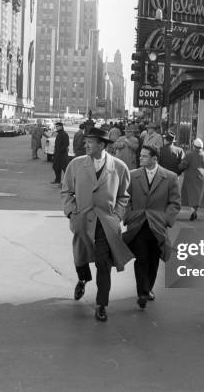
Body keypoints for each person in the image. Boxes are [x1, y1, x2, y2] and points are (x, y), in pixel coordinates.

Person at [61, 127, 134, 322]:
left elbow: (124, 196)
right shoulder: (75, 165)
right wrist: (71, 212)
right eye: (85, 142)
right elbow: (66, 192)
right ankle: (82, 278)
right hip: (82, 220)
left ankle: (101, 304)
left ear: (102, 145)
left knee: (104, 264)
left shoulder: (119, 167)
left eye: (90, 142)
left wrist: (117, 216)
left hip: (105, 223)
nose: (85, 145)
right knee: (80, 257)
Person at [123, 145, 181, 309]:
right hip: (138, 224)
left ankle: (148, 288)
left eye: (144, 156)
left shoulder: (170, 177)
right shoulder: (133, 175)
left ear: (154, 159)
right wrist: (128, 216)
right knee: (141, 258)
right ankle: (142, 292)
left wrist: (166, 219)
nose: (140, 158)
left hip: (157, 225)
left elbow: (175, 203)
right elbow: (125, 199)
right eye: (140, 155)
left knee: (154, 258)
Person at [179, 138, 204, 221]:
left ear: (194, 146)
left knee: (191, 196)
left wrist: (178, 168)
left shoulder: (189, 154)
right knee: (198, 197)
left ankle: (193, 211)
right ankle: (194, 211)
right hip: (201, 178)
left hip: (190, 178)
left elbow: (183, 165)